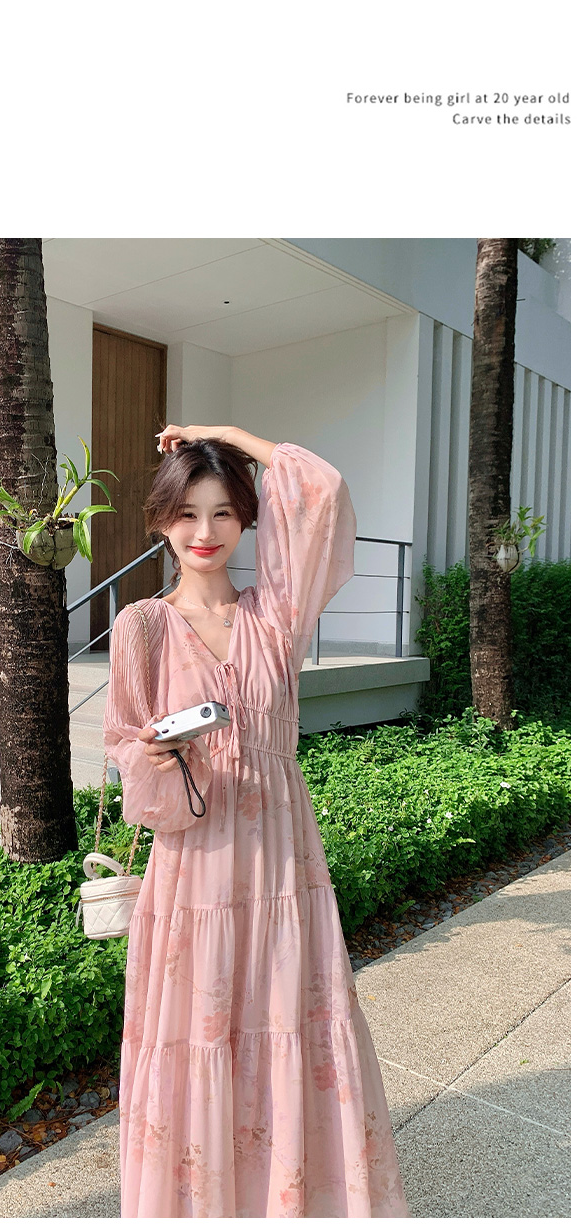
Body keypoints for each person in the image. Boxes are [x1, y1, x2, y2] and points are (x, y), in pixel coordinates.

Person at [103, 423, 409, 1218]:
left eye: (223, 512)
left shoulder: (276, 615)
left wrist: (225, 435)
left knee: (287, 1026)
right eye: (186, 513)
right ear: (160, 520)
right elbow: (124, 750)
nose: (204, 532)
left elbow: (322, 489)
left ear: (246, 518)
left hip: (280, 863)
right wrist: (155, 751)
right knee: (200, 1035)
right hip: (194, 868)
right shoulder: (140, 625)